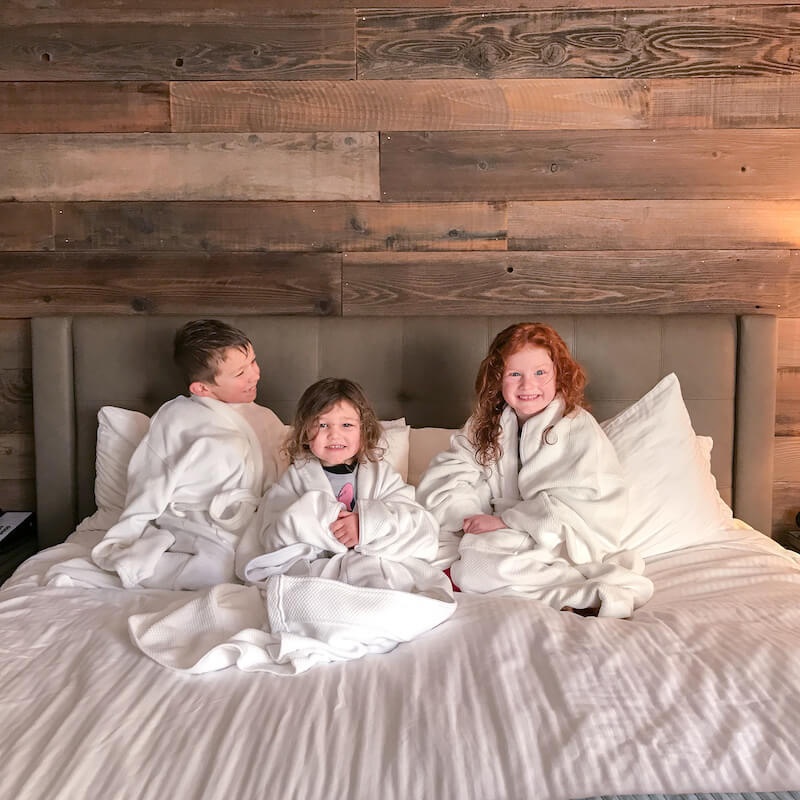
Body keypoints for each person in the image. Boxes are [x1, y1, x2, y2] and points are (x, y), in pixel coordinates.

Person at [416, 322, 653, 618]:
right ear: (497, 379)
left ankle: (583, 593)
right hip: (499, 532)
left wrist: (506, 521)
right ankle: (562, 593)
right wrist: (467, 516)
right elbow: (452, 474)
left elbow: (579, 501)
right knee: (428, 551)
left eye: (540, 373)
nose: (528, 386)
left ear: (559, 374)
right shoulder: (485, 424)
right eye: (515, 374)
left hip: (557, 536)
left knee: (478, 566)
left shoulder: (575, 427)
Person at [90, 319, 287, 590]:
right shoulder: (176, 419)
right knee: (216, 570)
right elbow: (151, 479)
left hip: (250, 521)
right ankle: (152, 560)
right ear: (202, 389)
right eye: (240, 373)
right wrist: (126, 535)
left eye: (253, 361)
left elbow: (287, 471)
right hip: (191, 522)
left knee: (278, 561)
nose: (256, 375)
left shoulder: (264, 417)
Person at [236, 378, 441, 588]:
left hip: (370, 562)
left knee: (382, 585)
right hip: (319, 567)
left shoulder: (381, 475)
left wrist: (365, 527)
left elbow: (415, 521)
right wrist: (326, 524)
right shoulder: (296, 476)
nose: (334, 434)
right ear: (305, 433)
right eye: (322, 425)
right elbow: (276, 528)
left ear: (364, 431)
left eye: (347, 425)